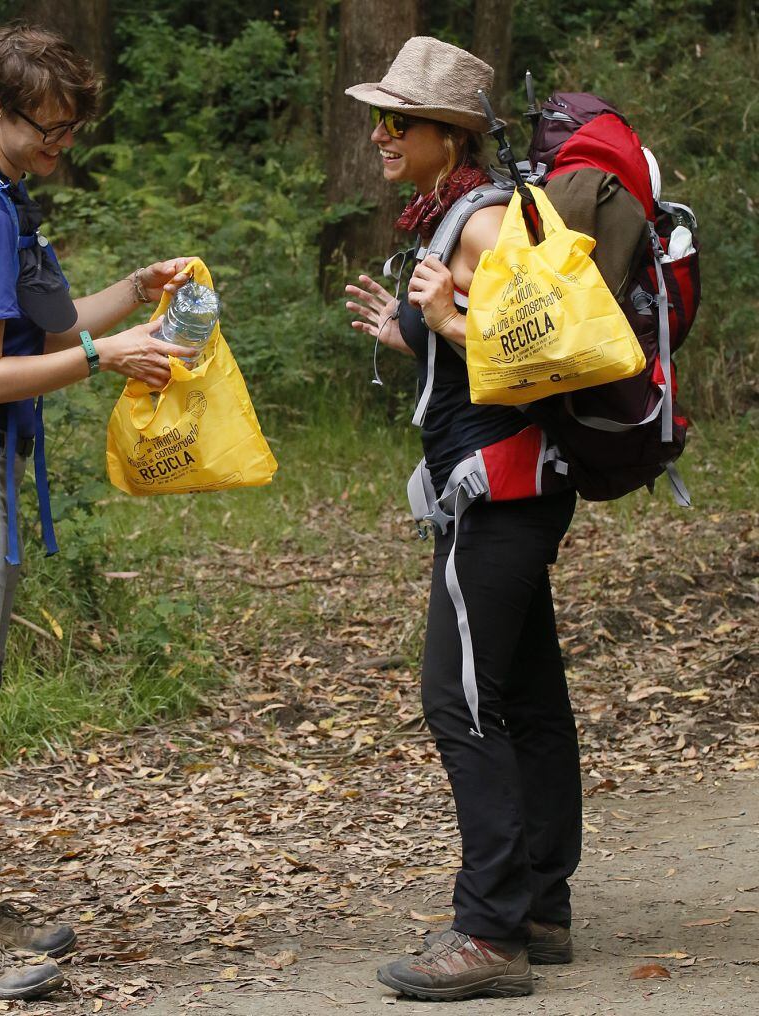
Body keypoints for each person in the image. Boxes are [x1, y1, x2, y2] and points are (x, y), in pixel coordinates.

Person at [0, 24, 193, 1002]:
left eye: (71, 132)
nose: (61, 148)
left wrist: (133, 298)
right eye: (48, 130)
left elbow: (52, 328)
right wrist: (112, 355)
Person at [344, 37, 581, 1002]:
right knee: (522, 692)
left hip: (503, 492)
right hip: (502, 485)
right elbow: (483, 350)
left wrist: (443, 320)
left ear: (451, 135)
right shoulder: (454, 223)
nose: (380, 134)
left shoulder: (483, 224)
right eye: (380, 117)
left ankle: (489, 932)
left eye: (398, 121)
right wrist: (413, 331)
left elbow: (550, 350)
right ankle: (538, 906)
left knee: (459, 696)